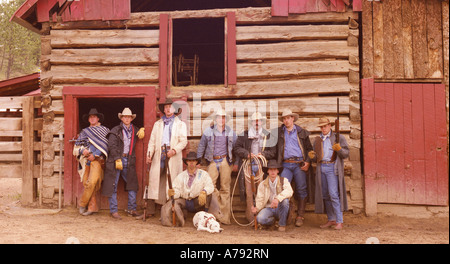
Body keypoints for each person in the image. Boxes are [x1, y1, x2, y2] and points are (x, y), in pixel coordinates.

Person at [145, 98, 188, 217]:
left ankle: (170, 211)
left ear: (174, 109)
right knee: (154, 180)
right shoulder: (158, 124)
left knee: (172, 182)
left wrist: (174, 150)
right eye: (166, 107)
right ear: (163, 110)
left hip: (172, 155)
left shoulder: (180, 124)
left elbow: (183, 141)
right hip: (160, 154)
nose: (168, 109)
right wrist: (149, 154)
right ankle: (150, 211)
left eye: (170, 106)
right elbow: (152, 141)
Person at [102, 107, 145, 220]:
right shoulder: (115, 130)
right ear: (121, 118)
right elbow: (112, 145)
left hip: (129, 160)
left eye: (129, 117)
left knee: (132, 185)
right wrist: (117, 158)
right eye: (125, 117)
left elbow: (143, 126)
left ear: (131, 118)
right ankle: (114, 211)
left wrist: (142, 128)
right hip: (116, 160)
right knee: (113, 185)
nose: (127, 118)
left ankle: (132, 209)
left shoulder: (135, 129)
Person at [234, 112, 276, 223]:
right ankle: (251, 218)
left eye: (259, 120)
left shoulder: (268, 135)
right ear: (252, 122)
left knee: (261, 192)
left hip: (261, 166)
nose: (257, 123)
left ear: (262, 122)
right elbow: (237, 148)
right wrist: (247, 154)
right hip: (248, 165)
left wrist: (263, 155)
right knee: (249, 192)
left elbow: (273, 152)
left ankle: (260, 218)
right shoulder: (245, 135)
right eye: (254, 121)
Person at [196, 109, 237, 224]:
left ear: (225, 120)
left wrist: (236, 162)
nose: (221, 119)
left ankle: (224, 217)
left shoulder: (231, 132)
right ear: (216, 119)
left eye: (223, 117)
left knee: (225, 187)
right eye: (219, 117)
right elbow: (201, 146)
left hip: (225, 160)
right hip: (213, 160)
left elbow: (237, 148)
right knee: (210, 186)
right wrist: (198, 161)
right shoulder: (208, 131)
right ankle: (215, 212)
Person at [161, 151, 223, 227]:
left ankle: (212, 219)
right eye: (189, 161)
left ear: (196, 162)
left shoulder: (203, 174)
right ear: (186, 162)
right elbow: (176, 189)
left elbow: (210, 186)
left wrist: (204, 191)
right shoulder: (181, 176)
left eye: (193, 161)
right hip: (185, 202)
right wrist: (173, 193)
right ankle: (178, 221)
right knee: (173, 203)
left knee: (212, 195)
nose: (191, 163)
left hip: (198, 202)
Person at [308, 116, 349, 230]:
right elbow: (316, 156)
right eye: (321, 127)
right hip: (321, 168)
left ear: (330, 126)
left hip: (332, 168)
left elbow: (346, 154)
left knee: (333, 195)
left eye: (325, 126)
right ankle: (331, 219)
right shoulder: (318, 140)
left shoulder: (338, 137)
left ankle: (339, 221)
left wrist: (339, 149)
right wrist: (313, 157)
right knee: (325, 195)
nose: (323, 128)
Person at [276, 109, 313, 227]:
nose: (286, 121)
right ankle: (284, 216)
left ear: (293, 118)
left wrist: (307, 162)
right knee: (282, 189)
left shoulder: (302, 132)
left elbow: (309, 149)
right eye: (284, 119)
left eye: (288, 118)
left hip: (299, 164)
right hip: (285, 164)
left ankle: (300, 216)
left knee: (302, 189)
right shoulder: (279, 133)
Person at [73, 108, 110, 216]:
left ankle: (82, 204)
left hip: (97, 161)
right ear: (88, 119)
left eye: (94, 116)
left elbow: (107, 146)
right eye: (90, 117)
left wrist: (96, 154)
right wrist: (82, 150)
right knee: (86, 183)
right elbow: (76, 148)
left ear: (98, 118)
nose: (92, 118)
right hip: (86, 161)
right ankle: (92, 207)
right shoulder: (85, 132)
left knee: (93, 182)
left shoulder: (105, 130)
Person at [251, 160, 293, 232]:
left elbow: (289, 191)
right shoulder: (262, 184)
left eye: (274, 169)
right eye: (271, 169)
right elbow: (260, 199)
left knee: (285, 201)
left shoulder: (284, 180)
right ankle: (273, 222)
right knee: (260, 219)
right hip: (269, 208)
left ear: (277, 171)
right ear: (268, 171)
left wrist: (277, 199)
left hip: (281, 208)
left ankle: (282, 224)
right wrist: (256, 208)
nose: (273, 172)